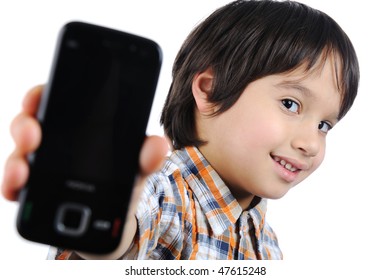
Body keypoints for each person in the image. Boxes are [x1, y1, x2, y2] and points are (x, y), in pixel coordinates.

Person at [1, 0, 359, 260]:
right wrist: (108, 214)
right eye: (290, 104)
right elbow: (127, 234)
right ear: (209, 90)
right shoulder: (163, 193)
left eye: (325, 124)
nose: (311, 142)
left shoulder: (268, 246)